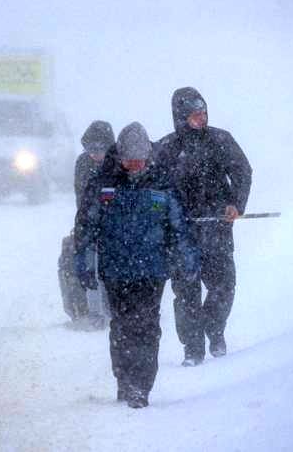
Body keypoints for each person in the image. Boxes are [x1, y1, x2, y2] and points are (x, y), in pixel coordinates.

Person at [74, 122, 199, 408]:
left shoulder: (163, 184)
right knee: (121, 327)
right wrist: (83, 264)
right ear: (120, 157)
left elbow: (179, 228)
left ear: (148, 158)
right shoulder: (103, 183)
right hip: (115, 271)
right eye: (129, 160)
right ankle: (124, 379)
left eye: (140, 160)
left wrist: (187, 262)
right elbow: (86, 226)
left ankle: (141, 386)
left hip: (152, 271)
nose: (135, 166)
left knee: (147, 326)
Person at [157, 87, 252, 366]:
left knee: (223, 285)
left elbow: (242, 171)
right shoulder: (166, 149)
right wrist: (164, 219)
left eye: (204, 113)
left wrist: (236, 204)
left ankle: (214, 329)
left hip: (217, 228)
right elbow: (155, 190)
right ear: (180, 116)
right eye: (195, 115)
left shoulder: (221, 140)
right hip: (181, 234)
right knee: (186, 292)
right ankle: (193, 348)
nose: (201, 118)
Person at [58, 120, 115, 329]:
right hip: (91, 223)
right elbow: (82, 197)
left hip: (118, 224)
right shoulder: (82, 164)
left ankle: (116, 308)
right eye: (91, 149)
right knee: (89, 263)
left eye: (100, 149)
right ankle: (93, 311)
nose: (95, 154)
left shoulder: (120, 162)